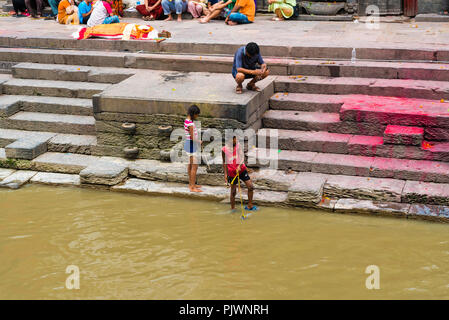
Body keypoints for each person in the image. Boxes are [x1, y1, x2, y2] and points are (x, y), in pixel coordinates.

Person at [222, 135, 257, 211]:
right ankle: (233, 209)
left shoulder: (238, 146)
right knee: (233, 192)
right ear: (229, 140)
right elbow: (224, 162)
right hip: (232, 173)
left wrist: (239, 166)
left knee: (250, 186)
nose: (236, 141)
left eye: (236, 139)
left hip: (241, 170)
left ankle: (250, 206)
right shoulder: (224, 150)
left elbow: (242, 157)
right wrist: (225, 174)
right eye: (234, 139)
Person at [184, 105, 202, 193]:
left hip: (189, 144)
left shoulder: (186, 120)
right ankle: (192, 187)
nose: (197, 116)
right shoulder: (190, 123)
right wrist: (199, 141)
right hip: (191, 145)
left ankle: (191, 184)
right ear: (193, 113)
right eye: (197, 115)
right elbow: (192, 137)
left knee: (190, 165)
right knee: (194, 166)